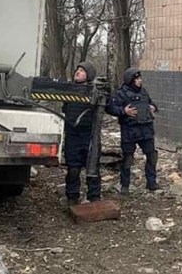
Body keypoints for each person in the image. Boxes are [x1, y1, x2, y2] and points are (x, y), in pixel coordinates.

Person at [106, 68, 158, 195]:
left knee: (152, 156)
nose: (140, 81)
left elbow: (152, 104)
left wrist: (153, 108)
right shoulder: (121, 94)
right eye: (137, 79)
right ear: (131, 80)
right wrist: (124, 111)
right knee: (128, 159)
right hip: (130, 130)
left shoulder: (143, 92)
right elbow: (110, 108)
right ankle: (125, 185)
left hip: (146, 130)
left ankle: (151, 183)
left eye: (140, 78)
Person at [63, 61, 101, 205]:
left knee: (93, 168)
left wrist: (123, 111)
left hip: (90, 136)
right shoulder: (69, 90)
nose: (77, 72)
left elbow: (110, 106)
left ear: (89, 75)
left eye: (82, 70)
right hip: (73, 135)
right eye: (76, 70)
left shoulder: (96, 91)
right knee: (73, 168)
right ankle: (72, 197)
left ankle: (94, 197)